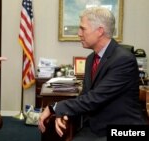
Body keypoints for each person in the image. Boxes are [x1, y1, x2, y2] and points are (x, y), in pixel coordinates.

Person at [38, 7, 146, 141]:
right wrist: (66, 114)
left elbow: (95, 98)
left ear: (100, 31)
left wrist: (55, 107)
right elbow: (85, 96)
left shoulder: (123, 60)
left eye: (83, 29)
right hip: (96, 127)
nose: (78, 33)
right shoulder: (90, 59)